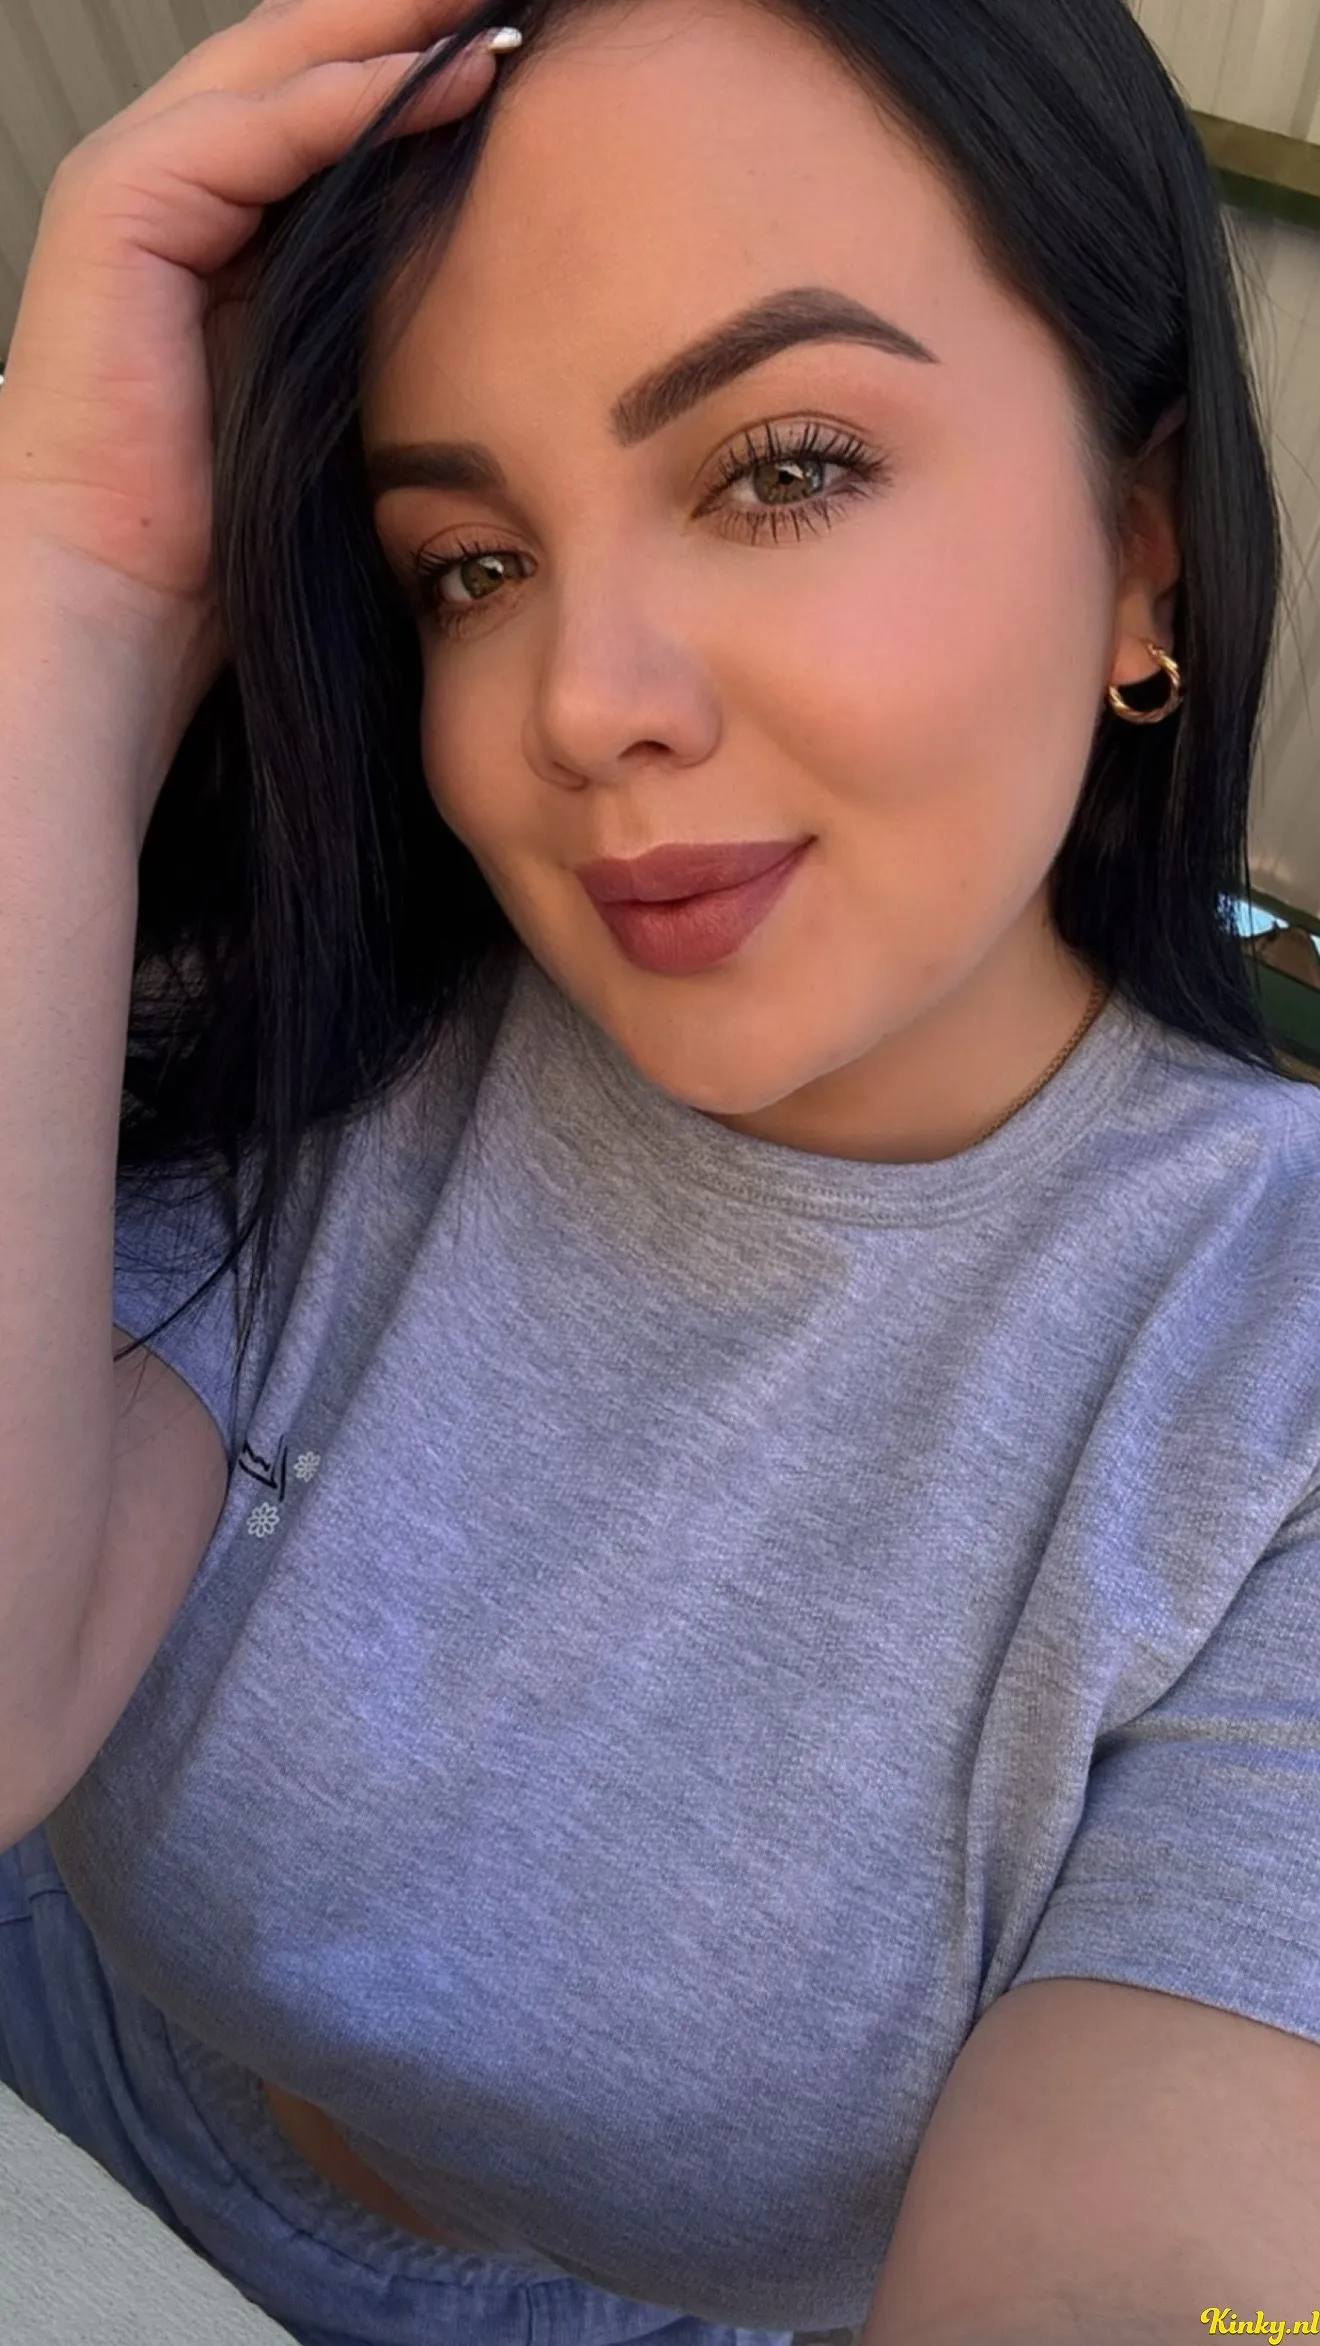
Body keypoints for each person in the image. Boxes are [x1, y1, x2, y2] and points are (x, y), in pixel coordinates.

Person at [1, 0, 1319, 2341]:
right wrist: (81, 580)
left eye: (782, 466)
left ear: (1146, 545)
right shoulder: (325, 1030)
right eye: (467, 565)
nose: (581, 701)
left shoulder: (1272, 1361)